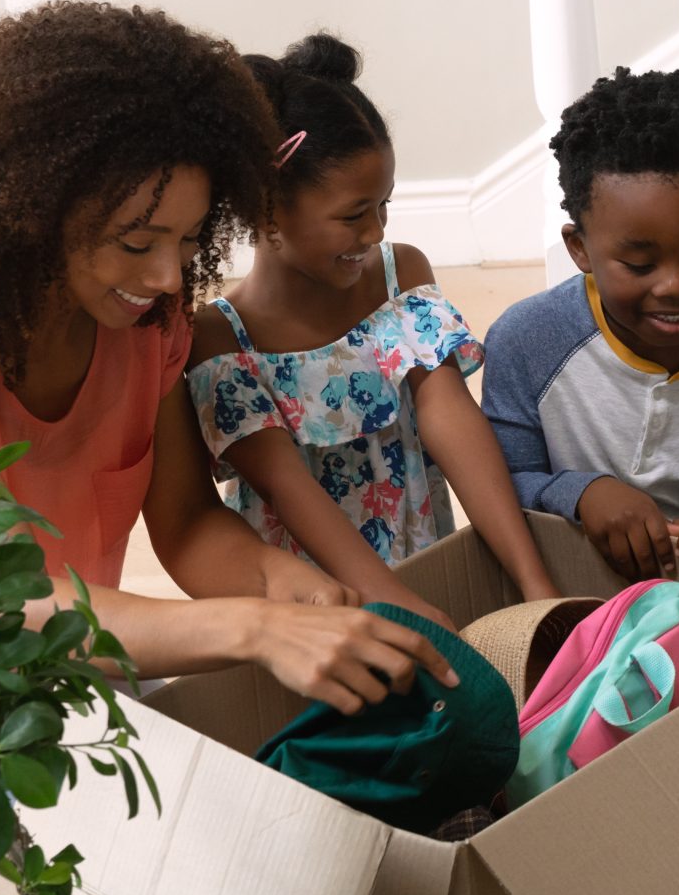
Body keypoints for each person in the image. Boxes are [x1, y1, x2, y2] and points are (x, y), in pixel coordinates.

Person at [0, 1, 457, 891]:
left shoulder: (146, 324)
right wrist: (257, 627)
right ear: (33, 205)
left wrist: (294, 588)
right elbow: (2, 606)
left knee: (202, 855)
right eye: (135, 241)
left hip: (38, 681)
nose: (168, 278)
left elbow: (190, 524)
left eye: (191, 240)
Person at [188, 34, 561, 619]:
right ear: (266, 209)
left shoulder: (400, 276)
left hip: (424, 567)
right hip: (315, 613)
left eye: (384, 205)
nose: (376, 231)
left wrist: (536, 583)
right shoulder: (220, 339)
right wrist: (395, 606)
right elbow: (288, 489)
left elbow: (452, 422)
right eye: (354, 215)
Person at [486, 68, 679, 578]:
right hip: (557, 582)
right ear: (579, 248)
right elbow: (499, 484)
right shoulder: (526, 341)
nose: (675, 286)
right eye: (641, 265)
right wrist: (584, 491)